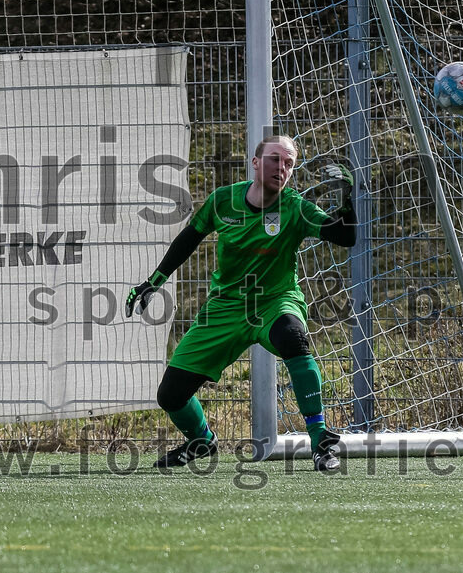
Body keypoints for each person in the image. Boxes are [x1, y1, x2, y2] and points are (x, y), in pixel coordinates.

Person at [125, 134, 356, 473]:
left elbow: (345, 236)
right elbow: (189, 238)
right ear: (256, 162)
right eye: (276, 159)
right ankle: (201, 440)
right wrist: (153, 282)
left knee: (293, 338)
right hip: (226, 307)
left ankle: (319, 439)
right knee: (171, 396)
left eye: (289, 163)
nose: (282, 167)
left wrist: (347, 200)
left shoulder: (294, 207)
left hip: (276, 301)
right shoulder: (223, 201)